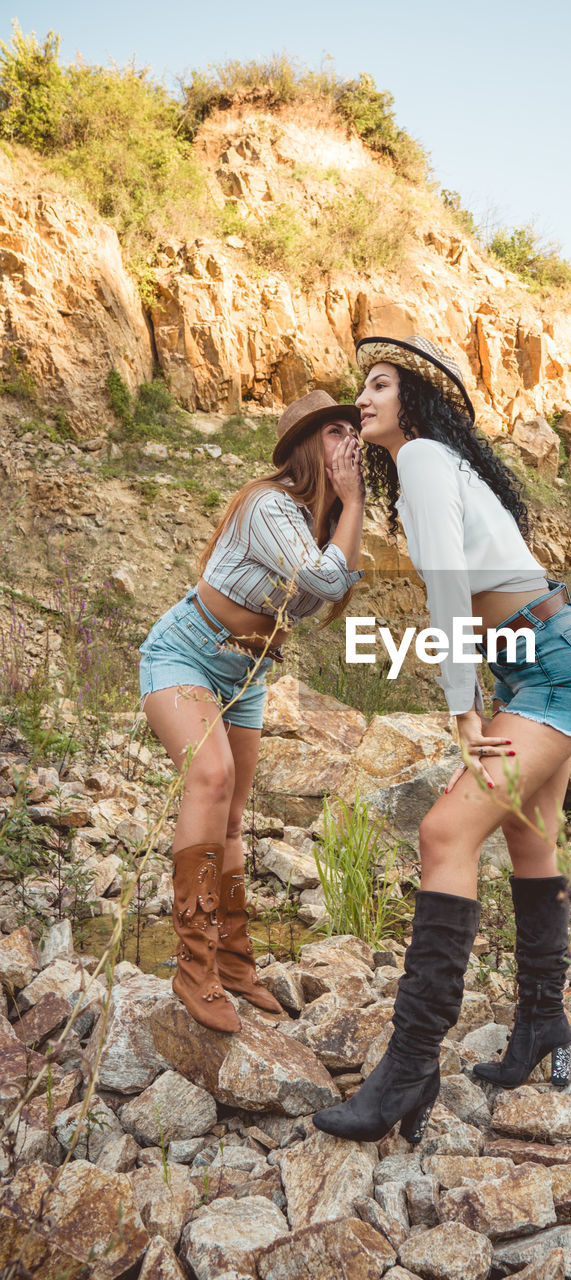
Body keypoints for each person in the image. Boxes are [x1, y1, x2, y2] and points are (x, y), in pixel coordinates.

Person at [313, 336, 571, 1143]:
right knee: (530, 839)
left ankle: (408, 1069)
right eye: (360, 386)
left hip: (548, 666)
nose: (364, 396)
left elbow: (449, 587)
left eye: (379, 384)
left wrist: (461, 705)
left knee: (444, 830)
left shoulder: (422, 460)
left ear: (414, 397)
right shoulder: (431, 469)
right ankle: (542, 1025)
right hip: (537, 657)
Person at [139, 390, 364, 1032]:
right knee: (210, 779)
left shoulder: (316, 522)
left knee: (233, 817)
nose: (349, 440)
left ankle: (235, 964)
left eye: (354, 430)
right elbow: (323, 582)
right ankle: (194, 968)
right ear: (305, 446)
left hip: (250, 670)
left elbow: (334, 579)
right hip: (186, 651)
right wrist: (352, 502)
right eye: (334, 431)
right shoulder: (268, 503)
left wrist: (350, 507)